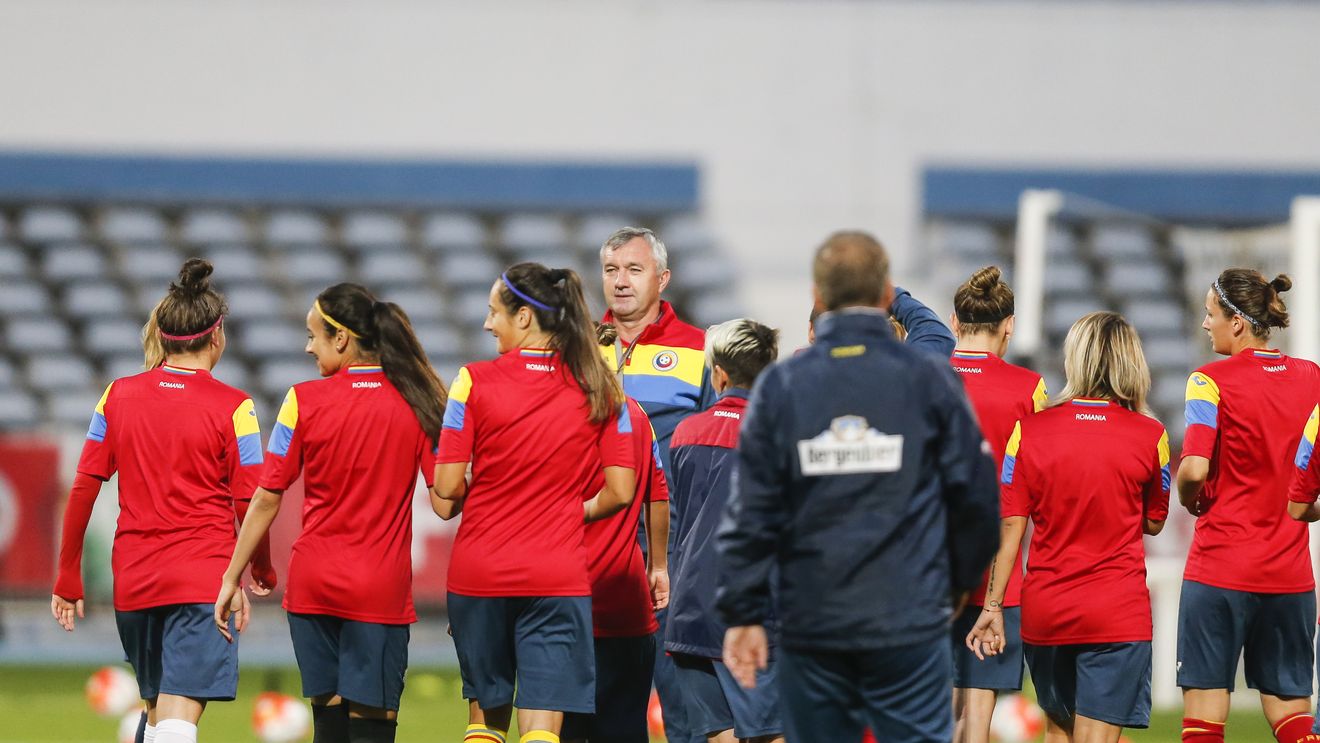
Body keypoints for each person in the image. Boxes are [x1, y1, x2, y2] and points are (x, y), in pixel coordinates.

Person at [717, 231, 999, 743]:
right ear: (889, 293)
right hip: (909, 614)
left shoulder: (783, 386)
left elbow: (752, 510)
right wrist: (957, 584)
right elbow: (979, 498)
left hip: (813, 620)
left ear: (817, 297)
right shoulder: (932, 378)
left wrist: (743, 609)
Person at [52, 259, 274, 743]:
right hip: (202, 577)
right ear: (216, 338)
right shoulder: (236, 407)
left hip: (134, 579)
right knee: (177, 718)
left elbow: (85, 485)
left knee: (156, 714)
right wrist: (258, 565)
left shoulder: (117, 395)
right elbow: (249, 501)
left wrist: (68, 574)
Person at [215, 282, 447, 743]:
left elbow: (266, 496)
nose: (307, 347)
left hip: (313, 585)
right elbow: (444, 504)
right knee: (372, 731)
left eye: (313, 336)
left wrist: (231, 577)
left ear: (341, 338)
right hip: (378, 591)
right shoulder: (416, 401)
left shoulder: (301, 400)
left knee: (328, 726)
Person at [437, 263, 636, 743]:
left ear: (524, 318)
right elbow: (622, 490)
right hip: (556, 575)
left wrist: (478, 491)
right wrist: (575, 512)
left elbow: (445, 487)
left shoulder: (472, 380)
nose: (487, 324)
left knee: (484, 723)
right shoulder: (602, 387)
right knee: (543, 727)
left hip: (479, 574)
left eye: (493, 313)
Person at [966, 311, 1168, 743]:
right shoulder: (1151, 435)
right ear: (1132, 362)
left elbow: (1011, 528)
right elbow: (1154, 520)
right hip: (1116, 613)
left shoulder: (1029, 431)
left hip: (1048, 612)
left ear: (1074, 358)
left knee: (1058, 733)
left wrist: (993, 607)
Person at [1174, 270, 1320, 743]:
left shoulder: (1208, 381)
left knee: (1205, 713)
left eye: (1210, 314)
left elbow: (1194, 467)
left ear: (1237, 323)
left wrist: (1189, 499)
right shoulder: (1312, 377)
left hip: (1221, 567)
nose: (1204, 325)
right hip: (1290, 574)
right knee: (1292, 710)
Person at [599, 226, 711, 743]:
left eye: (634, 270)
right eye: (611, 270)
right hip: (596, 544)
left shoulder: (700, 351)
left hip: (677, 546)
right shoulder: (578, 351)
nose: (621, 282)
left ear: (662, 279)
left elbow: (719, 443)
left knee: (683, 702)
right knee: (601, 704)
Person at [667, 318, 783, 743]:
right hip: (758, 611)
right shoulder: (780, 436)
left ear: (718, 373)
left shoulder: (684, 433)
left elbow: (683, 518)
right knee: (773, 733)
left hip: (692, 609)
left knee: (719, 736)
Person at [945, 266, 1047, 743]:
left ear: (953, 321)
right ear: (1009, 325)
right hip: (997, 572)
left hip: (927, 565)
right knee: (976, 721)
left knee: (928, 713)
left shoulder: (925, 375)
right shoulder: (1030, 389)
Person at [560, 327, 672, 743]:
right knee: (625, 729)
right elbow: (657, 495)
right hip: (624, 602)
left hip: (560, 602)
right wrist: (658, 564)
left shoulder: (556, 418)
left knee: (563, 730)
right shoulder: (637, 417)